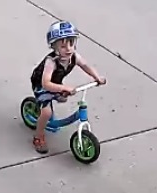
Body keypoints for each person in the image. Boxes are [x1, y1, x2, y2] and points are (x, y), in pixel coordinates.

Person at [29, 20, 107, 154]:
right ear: (54, 47)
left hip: (56, 84)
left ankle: (57, 94)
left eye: (71, 43)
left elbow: (85, 65)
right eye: (63, 46)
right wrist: (62, 88)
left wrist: (96, 77)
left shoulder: (74, 57)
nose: (69, 49)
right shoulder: (51, 62)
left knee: (63, 95)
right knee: (47, 112)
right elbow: (46, 83)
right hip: (41, 85)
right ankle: (39, 136)